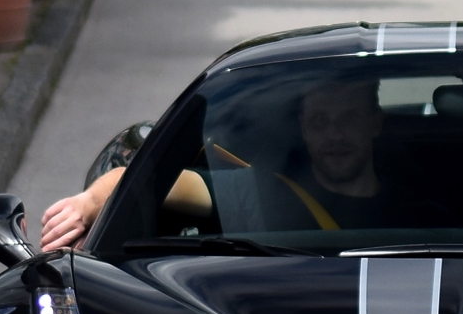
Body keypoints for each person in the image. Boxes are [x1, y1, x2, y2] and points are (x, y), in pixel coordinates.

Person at [40, 77, 421, 249]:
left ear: (376, 123)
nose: (334, 135)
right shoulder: (260, 192)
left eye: (349, 118)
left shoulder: (421, 208)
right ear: (304, 128)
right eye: (321, 120)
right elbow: (146, 179)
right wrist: (86, 205)